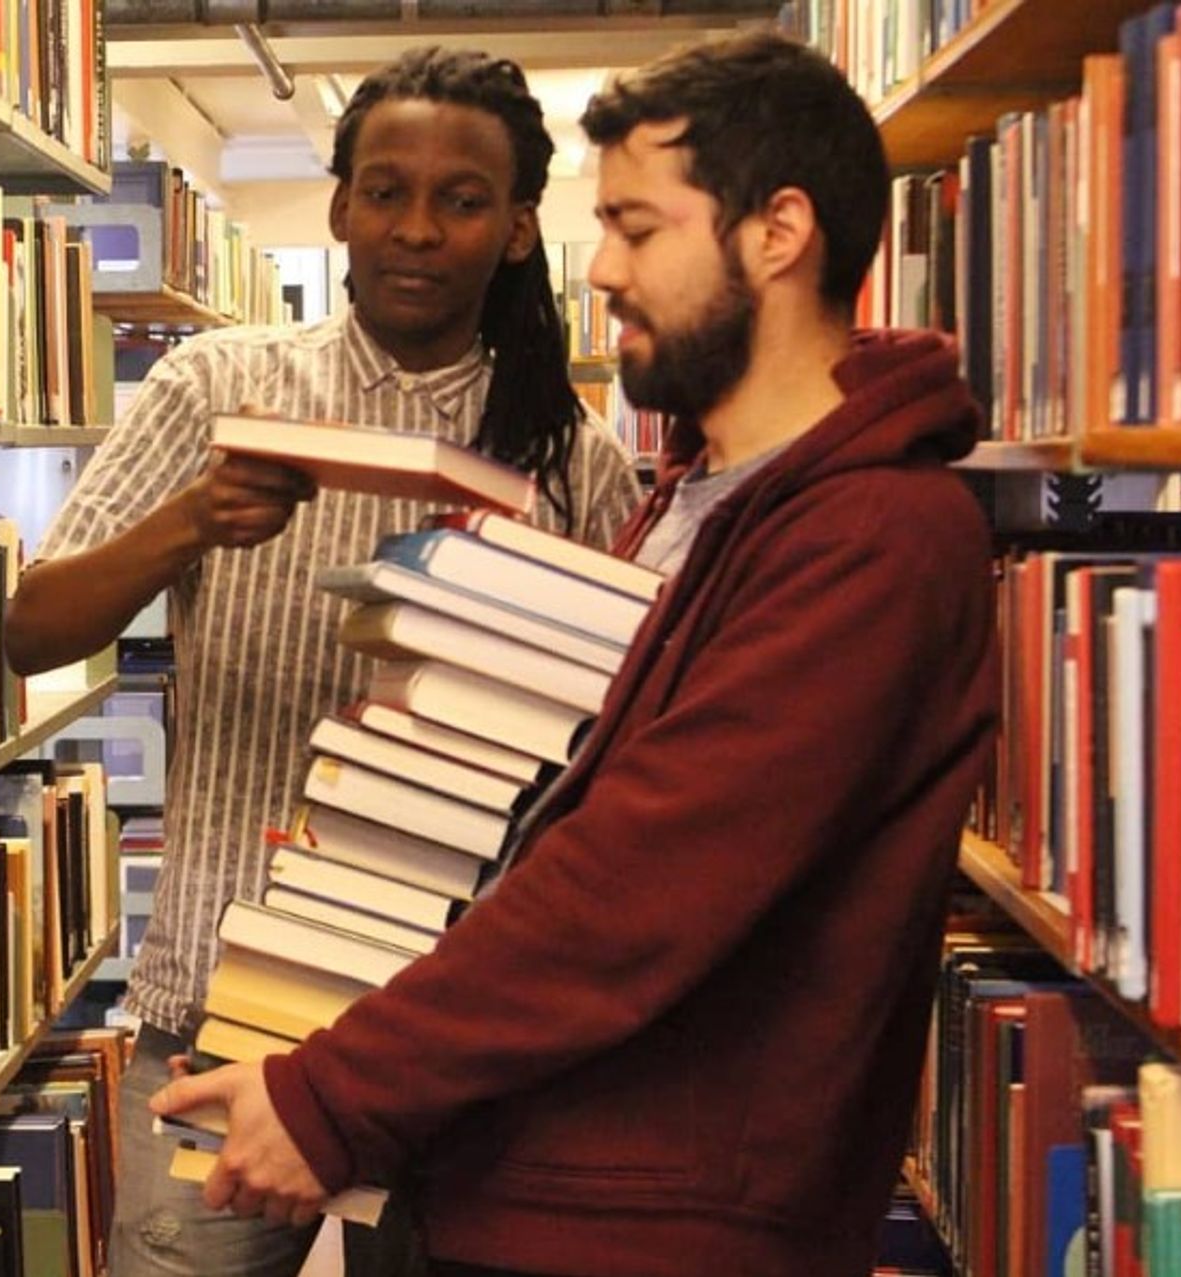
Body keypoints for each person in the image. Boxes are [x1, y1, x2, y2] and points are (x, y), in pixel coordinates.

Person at [150, 30, 1001, 1277]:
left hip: (651, 1221)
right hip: (542, 1168)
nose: (596, 268)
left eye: (639, 228)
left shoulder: (873, 534)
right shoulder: (700, 500)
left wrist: (339, 1089)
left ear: (777, 233)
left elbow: (640, 881)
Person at [4, 47, 644, 1277]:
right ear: (340, 206)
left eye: (461, 201)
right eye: (385, 190)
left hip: (457, 1038)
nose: (415, 229)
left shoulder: (572, 456)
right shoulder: (219, 385)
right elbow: (33, 630)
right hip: (215, 1014)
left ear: (517, 232)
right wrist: (192, 518)